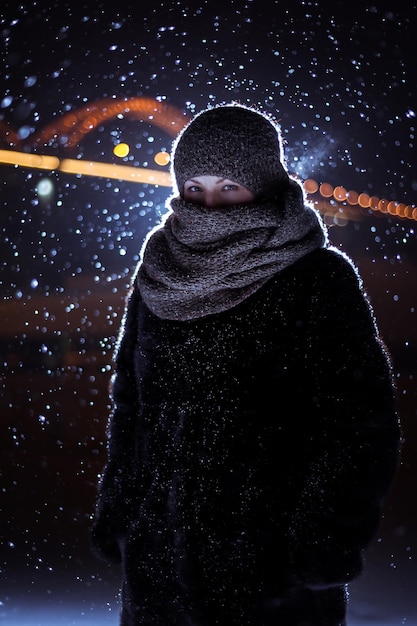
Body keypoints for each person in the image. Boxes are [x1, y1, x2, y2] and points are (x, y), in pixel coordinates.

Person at [91, 103, 400, 625]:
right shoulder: (159, 272)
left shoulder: (317, 277)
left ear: (263, 185)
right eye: (196, 187)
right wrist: (122, 510)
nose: (210, 203)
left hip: (273, 568)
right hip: (160, 567)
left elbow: (360, 424)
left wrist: (325, 536)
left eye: (229, 186)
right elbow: (132, 408)